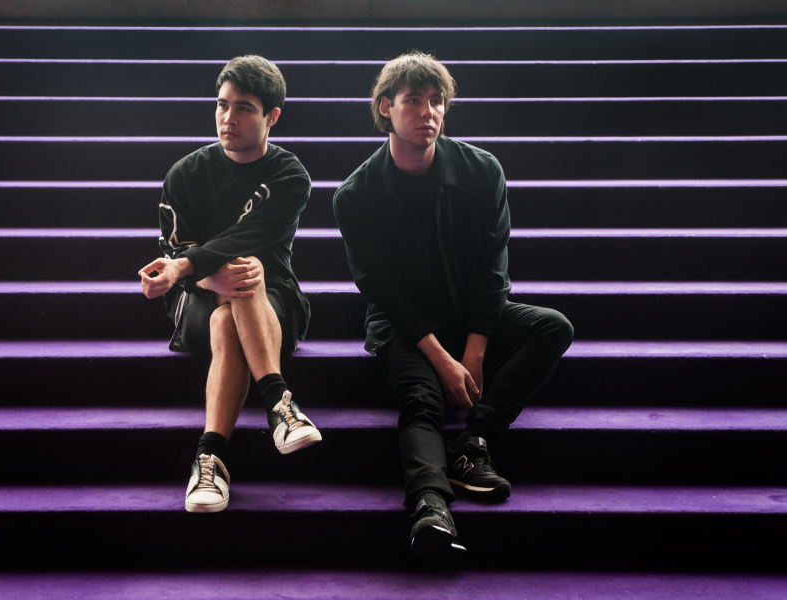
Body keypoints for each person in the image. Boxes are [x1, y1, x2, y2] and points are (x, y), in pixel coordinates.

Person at [333, 52, 573, 559]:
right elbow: (381, 289)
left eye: (437, 101)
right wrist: (442, 359)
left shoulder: (481, 171)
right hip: (402, 325)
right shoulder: (355, 195)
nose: (429, 112)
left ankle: (474, 441)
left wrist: (475, 351)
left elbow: (492, 271)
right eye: (414, 101)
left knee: (552, 326)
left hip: (468, 313)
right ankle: (429, 506)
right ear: (386, 108)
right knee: (422, 399)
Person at [138, 55, 321, 514]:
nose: (228, 118)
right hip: (195, 301)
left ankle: (210, 458)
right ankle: (279, 402)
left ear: (271, 116)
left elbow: (245, 239)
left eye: (244, 108)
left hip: (273, 301)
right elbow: (177, 246)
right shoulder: (185, 174)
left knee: (243, 274)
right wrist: (199, 274)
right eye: (222, 105)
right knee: (234, 285)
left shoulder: (290, 175)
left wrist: (185, 266)